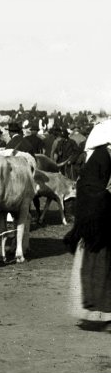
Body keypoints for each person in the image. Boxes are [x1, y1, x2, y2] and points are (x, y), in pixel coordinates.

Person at [64, 124, 111, 328]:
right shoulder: (102, 157)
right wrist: (108, 196)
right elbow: (89, 188)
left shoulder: (104, 156)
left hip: (102, 219)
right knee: (99, 266)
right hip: (97, 224)